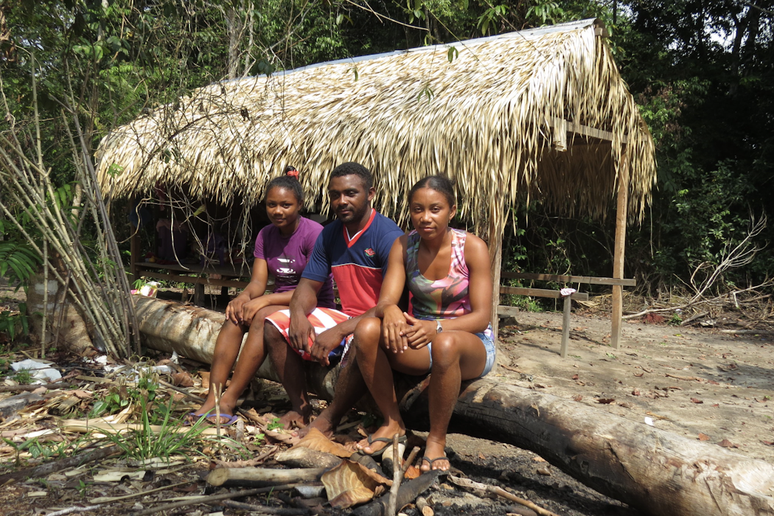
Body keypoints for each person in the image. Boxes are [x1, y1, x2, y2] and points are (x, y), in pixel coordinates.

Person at [351, 175, 496, 472]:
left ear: (452, 211)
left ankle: (436, 440)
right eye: (418, 209)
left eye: (435, 209)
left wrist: (438, 327)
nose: (425, 217)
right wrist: (390, 309)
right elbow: (385, 300)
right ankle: (392, 422)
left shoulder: (472, 247)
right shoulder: (404, 245)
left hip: (470, 341)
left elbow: (482, 317)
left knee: (446, 344)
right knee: (366, 330)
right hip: (420, 338)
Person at [264, 162, 404, 430]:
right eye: (335, 195)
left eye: (350, 193)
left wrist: (339, 331)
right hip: (348, 318)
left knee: (362, 338)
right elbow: (308, 286)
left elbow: (389, 306)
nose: (342, 201)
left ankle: (330, 419)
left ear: (370, 194)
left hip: (379, 323)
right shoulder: (329, 233)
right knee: (273, 325)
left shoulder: (388, 237)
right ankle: (300, 408)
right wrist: (297, 314)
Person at [189, 171, 335, 424]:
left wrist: (264, 300)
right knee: (235, 317)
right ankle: (212, 398)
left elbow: (310, 291)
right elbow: (258, 282)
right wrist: (244, 296)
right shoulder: (265, 235)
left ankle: (229, 400)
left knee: (262, 316)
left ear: (300, 205)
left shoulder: (314, 234)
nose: (277, 211)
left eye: (286, 205)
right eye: (271, 204)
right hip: (280, 301)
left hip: (312, 306)